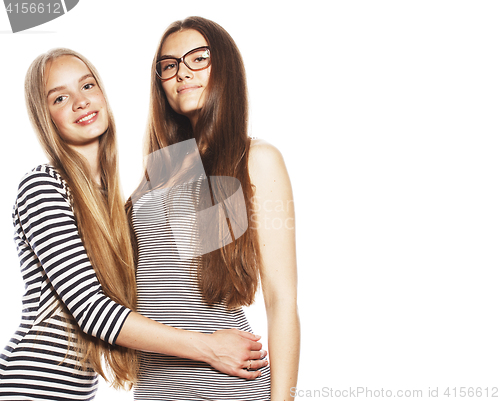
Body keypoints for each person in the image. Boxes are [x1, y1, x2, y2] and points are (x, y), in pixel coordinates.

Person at [0, 48, 268, 401]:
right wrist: (209, 348)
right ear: (45, 117)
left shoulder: (110, 200)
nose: (81, 102)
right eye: (60, 97)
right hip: (32, 382)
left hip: (74, 391)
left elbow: (182, 266)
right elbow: (91, 309)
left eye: (88, 86)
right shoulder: (43, 185)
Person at [129, 17, 300, 400]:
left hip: (225, 387)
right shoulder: (160, 169)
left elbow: (281, 298)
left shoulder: (255, 158)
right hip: (155, 387)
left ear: (224, 67)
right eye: (169, 65)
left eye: (198, 59)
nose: (182, 73)